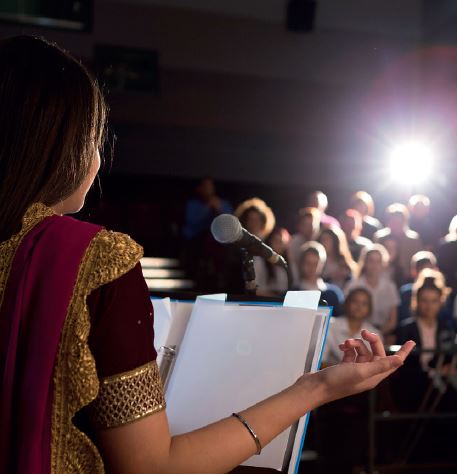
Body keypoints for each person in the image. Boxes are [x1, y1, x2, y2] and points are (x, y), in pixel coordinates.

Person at [0, 36, 415, 473]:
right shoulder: (95, 261)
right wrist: (315, 389)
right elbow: (152, 467)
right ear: (61, 145)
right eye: (94, 139)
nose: (98, 160)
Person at [395, 270, 456, 411]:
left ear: (441, 301)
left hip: (442, 386)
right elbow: (403, 365)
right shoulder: (406, 328)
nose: (429, 306)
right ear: (417, 301)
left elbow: (450, 358)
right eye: (424, 300)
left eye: (434, 301)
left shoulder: (446, 328)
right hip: (414, 385)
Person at [345, 245, 400, 337]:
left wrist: (377, 335)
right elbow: (347, 313)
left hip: (383, 333)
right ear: (364, 263)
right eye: (371, 261)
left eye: (378, 262)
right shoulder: (353, 286)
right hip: (356, 333)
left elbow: (392, 321)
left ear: (383, 264)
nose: (374, 266)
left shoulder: (390, 287)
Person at [323, 288, 381, 366]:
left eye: (364, 303)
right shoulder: (329, 325)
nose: (359, 306)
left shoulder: (374, 334)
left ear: (370, 308)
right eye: (355, 301)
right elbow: (320, 360)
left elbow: (375, 365)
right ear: (346, 303)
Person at [374, 203, 423, 284]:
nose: (396, 225)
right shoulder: (380, 238)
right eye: (393, 221)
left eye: (399, 222)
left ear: (405, 221)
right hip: (383, 277)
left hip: (407, 279)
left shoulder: (413, 239)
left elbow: (418, 263)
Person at [295, 241, 345, 316]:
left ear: (322, 264)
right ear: (301, 264)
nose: (312, 267)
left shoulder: (333, 293)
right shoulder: (293, 293)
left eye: (316, 263)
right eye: (308, 263)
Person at [398, 251, 438, 323]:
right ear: (414, 271)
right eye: (422, 270)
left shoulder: (440, 292)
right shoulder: (406, 292)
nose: (426, 275)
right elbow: (403, 317)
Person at [254, 227, 291, 296]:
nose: (278, 245)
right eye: (275, 241)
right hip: (261, 303)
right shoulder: (259, 262)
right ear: (269, 242)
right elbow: (254, 289)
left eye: (281, 242)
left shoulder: (287, 263)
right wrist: (273, 295)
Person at [288, 206, 321, 284]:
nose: (310, 228)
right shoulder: (294, 242)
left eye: (312, 225)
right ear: (300, 226)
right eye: (306, 225)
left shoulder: (321, 241)